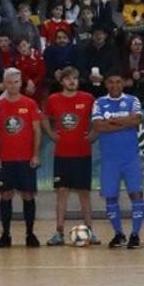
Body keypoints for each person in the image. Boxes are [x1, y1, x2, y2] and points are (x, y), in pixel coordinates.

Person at [42, 67, 96, 246]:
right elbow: (43, 118)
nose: (72, 81)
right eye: (68, 79)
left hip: (82, 153)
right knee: (62, 193)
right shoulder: (53, 99)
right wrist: (51, 134)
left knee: (84, 194)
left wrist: (93, 135)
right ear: (62, 81)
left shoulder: (88, 98)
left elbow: (98, 118)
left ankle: (90, 231)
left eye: (75, 78)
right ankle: (59, 233)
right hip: (62, 154)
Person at [92, 73, 144, 249]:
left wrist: (112, 121)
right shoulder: (99, 102)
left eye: (118, 81)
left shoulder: (133, 100)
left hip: (130, 157)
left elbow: (136, 120)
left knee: (136, 194)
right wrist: (125, 122)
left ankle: (135, 234)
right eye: (111, 82)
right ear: (106, 84)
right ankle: (118, 234)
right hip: (109, 159)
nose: (114, 85)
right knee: (110, 197)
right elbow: (98, 126)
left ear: (123, 83)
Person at [0, 69, 42, 247]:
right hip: (5, 159)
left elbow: (37, 130)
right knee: (6, 195)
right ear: (4, 84)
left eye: (16, 82)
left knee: (28, 195)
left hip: (26, 158)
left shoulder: (30, 103)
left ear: (21, 83)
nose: (13, 85)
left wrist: (35, 154)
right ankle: (5, 234)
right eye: (9, 82)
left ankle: (30, 234)